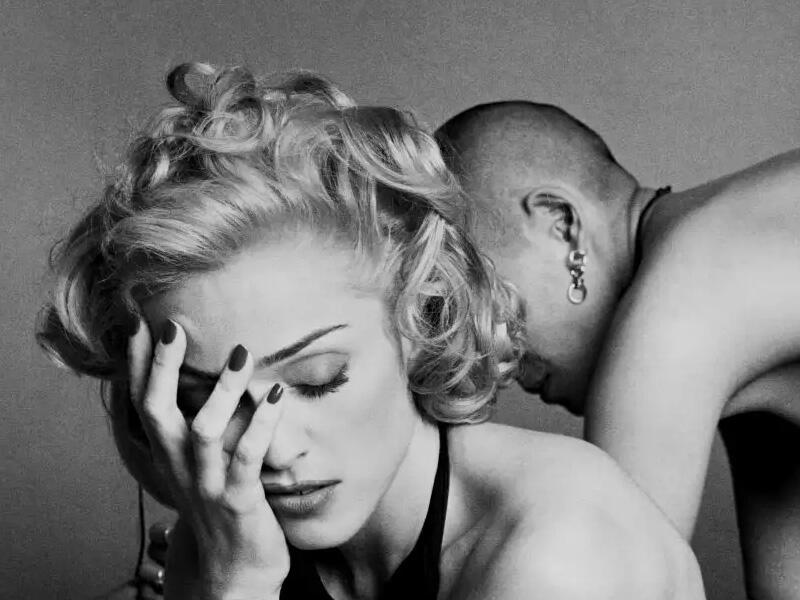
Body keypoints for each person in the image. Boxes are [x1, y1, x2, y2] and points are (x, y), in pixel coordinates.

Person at [37, 64, 703, 600]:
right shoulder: (236, 541)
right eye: (208, 398)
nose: (274, 450)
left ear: (420, 323)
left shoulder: (563, 554)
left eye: (317, 380)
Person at [436, 101, 800, 600]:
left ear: (561, 223)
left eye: (485, 297)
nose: (490, 354)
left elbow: (613, 586)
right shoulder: (730, 297)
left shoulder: (677, 311)